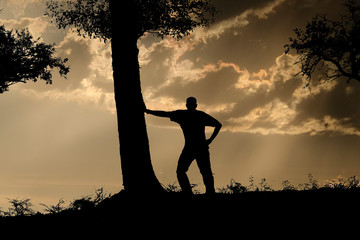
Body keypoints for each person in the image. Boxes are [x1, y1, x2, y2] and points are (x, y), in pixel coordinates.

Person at [145, 97, 222, 195]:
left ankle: (189, 193)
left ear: (186, 105)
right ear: (196, 105)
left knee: (182, 171)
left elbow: (165, 113)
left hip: (191, 148)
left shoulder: (182, 114)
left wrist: (148, 111)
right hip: (200, 147)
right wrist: (210, 140)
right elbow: (218, 125)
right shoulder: (200, 115)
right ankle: (209, 192)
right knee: (205, 171)